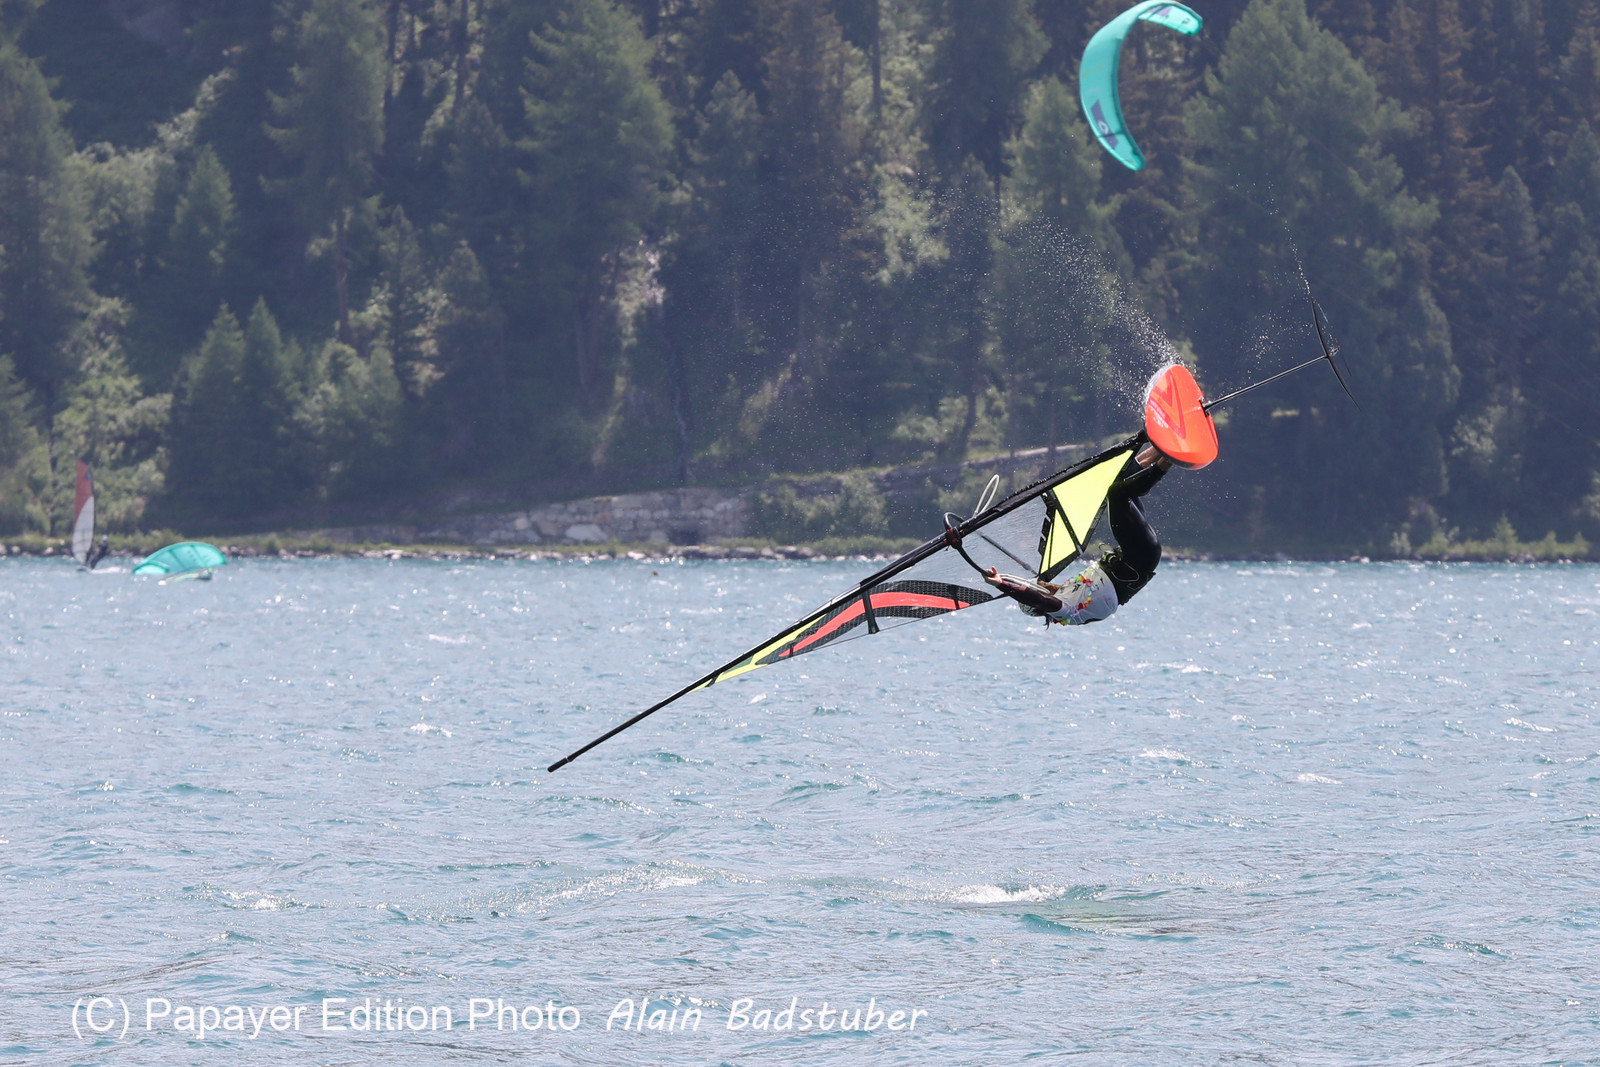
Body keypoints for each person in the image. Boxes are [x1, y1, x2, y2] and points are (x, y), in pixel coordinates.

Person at [983, 443, 1172, 625]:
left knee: (1117, 482)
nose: (1040, 588)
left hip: (1136, 555)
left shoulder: (1067, 593)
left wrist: (1009, 576)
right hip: (1139, 558)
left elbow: (1037, 589)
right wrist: (1001, 585)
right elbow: (1037, 599)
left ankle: (1164, 447)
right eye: (1038, 591)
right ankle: (1173, 456)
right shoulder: (1064, 610)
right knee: (1117, 494)